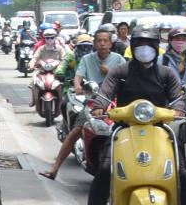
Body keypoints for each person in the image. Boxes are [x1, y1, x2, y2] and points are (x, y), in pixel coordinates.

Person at [68, 22, 186, 205]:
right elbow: (105, 93)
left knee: (181, 173)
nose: (144, 49)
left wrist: (179, 109)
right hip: (124, 129)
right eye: (139, 44)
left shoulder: (166, 73)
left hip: (160, 130)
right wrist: (99, 106)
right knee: (103, 169)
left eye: (148, 44)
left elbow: (177, 98)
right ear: (133, 46)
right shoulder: (121, 71)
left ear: (155, 47)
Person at [42, 27, 125, 180]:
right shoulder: (87, 59)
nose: (102, 44)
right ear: (94, 43)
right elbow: (78, 77)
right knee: (76, 131)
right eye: (99, 41)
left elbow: (126, 79)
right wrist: (78, 86)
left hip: (116, 102)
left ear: (110, 44)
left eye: (105, 41)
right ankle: (55, 168)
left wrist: (110, 73)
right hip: (93, 101)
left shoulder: (119, 59)